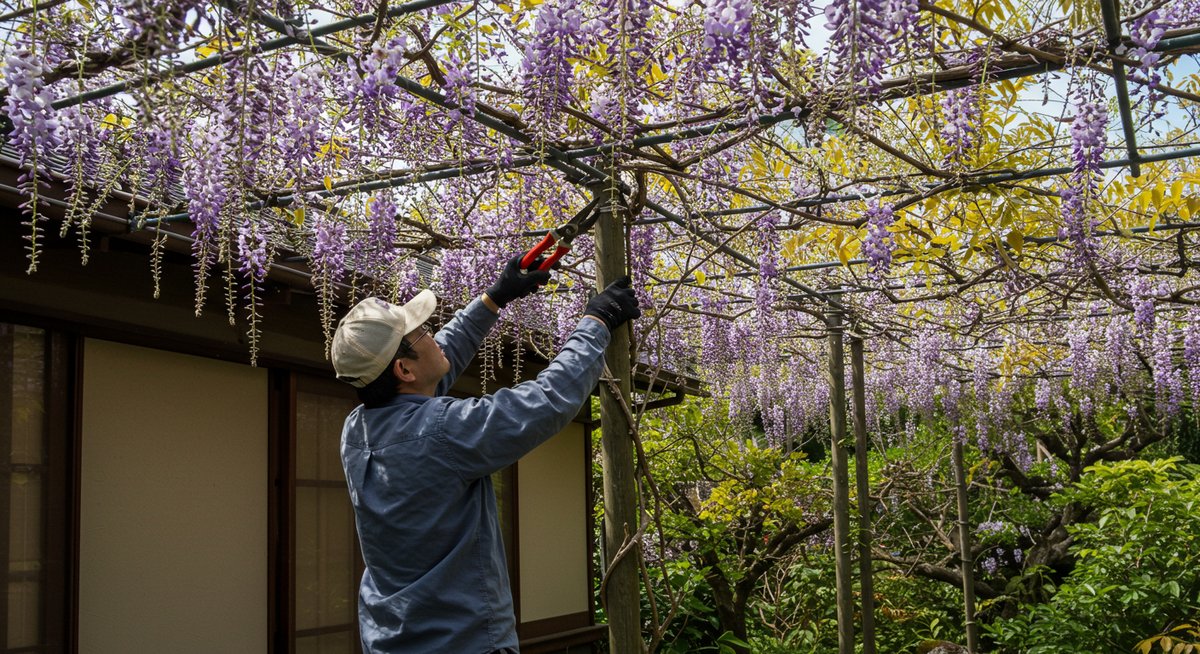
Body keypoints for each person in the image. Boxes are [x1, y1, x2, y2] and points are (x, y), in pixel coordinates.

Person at [330, 253, 641, 654]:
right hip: (465, 642)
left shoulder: (356, 430)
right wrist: (596, 322)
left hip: (389, 642)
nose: (433, 334)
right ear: (404, 370)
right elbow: (546, 401)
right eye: (423, 332)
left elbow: (429, 372)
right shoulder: (443, 431)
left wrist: (495, 297)